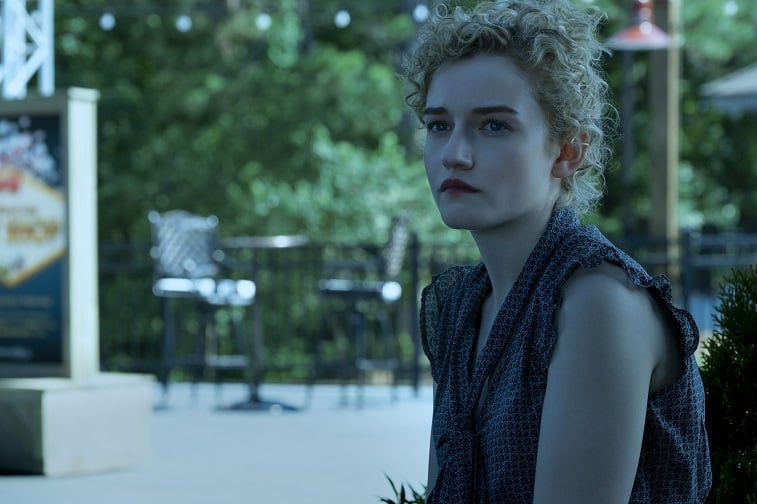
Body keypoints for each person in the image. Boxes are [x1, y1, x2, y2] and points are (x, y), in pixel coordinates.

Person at [401, 1, 712, 502]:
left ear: (569, 151)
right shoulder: (462, 305)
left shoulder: (597, 302)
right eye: (439, 125)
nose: (454, 154)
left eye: (493, 125)